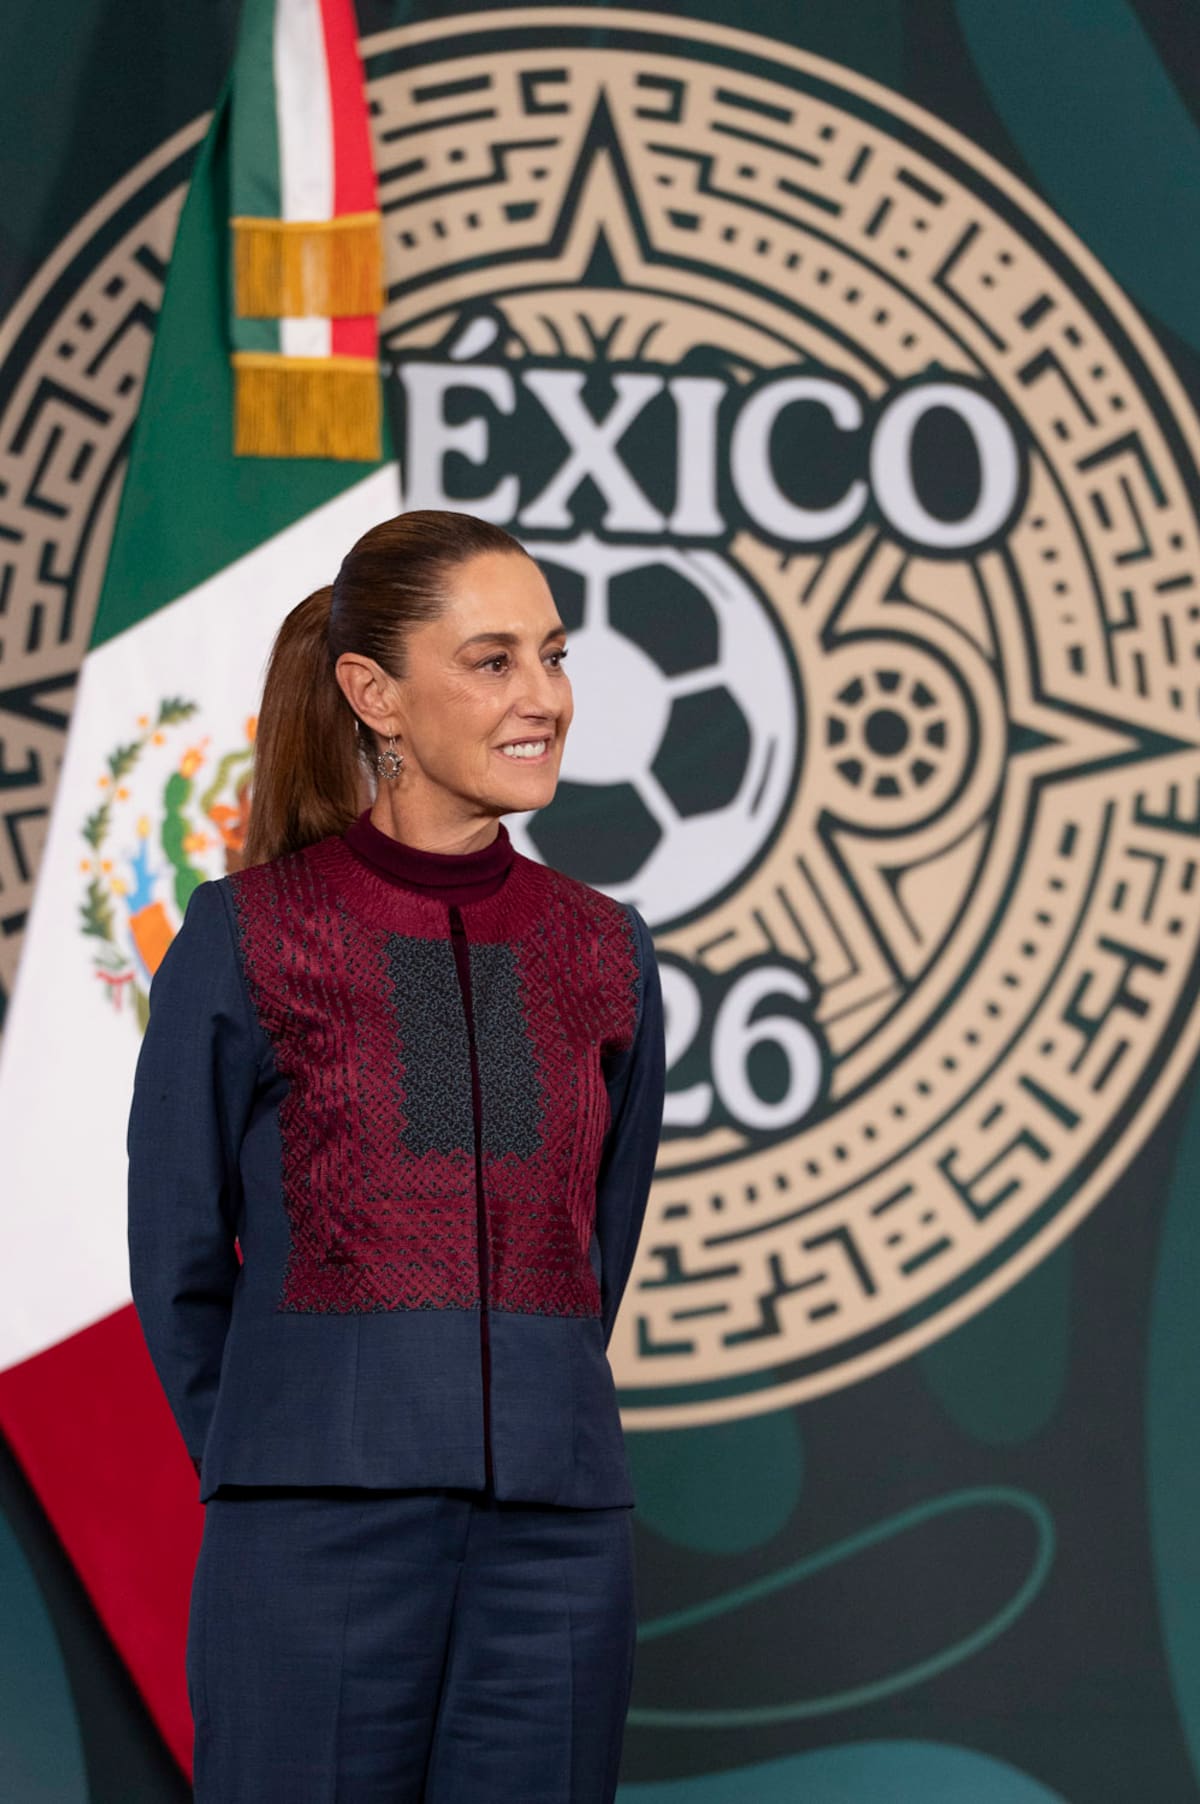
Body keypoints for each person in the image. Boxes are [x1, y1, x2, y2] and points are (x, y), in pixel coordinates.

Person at [126, 509, 667, 1803]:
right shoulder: (249, 935)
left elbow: (595, 1247)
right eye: (493, 661)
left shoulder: (606, 949)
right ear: (374, 694)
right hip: (309, 1533)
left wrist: (522, 1418)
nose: (544, 697)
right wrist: (285, 1455)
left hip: (557, 1543)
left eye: (553, 655)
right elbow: (177, 1255)